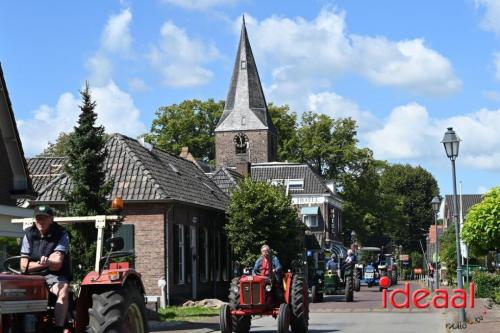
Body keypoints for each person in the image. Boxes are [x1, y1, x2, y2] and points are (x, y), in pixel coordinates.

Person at [20, 205, 71, 333]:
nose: (40, 221)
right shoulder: (28, 234)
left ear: (51, 219)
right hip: (32, 276)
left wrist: (33, 265)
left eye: (44, 218)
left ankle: (58, 328)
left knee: (63, 290)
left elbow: (57, 264)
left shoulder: (61, 234)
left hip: (53, 275)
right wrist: (47, 262)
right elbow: (22, 266)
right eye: (38, 218)